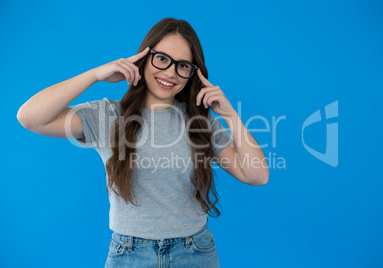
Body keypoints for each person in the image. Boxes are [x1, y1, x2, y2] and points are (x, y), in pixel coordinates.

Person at [17, 17, 269, 267]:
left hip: (194, 253)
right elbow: (30, 117)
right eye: (162, 58)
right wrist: (95, 75)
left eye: (183, 65)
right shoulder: (108, 116)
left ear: (192, 73)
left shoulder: (201, 124)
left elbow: (257, 175)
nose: (170, 73)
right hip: (130, 254)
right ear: (143, 58)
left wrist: (229, 115)